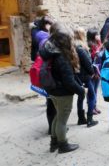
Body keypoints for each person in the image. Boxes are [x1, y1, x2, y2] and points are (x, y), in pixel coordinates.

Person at [39, 22, 85, 153]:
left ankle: (54, 143)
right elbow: (69, 82)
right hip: (62, 92)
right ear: (64, 40)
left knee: (57, 117)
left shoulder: (49, 49)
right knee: (62, 120)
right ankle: (63, 145)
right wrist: (81, 91)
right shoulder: (62, 57)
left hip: (52, 90)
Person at [30, 15, 55, 135]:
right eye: (50, 24)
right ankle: (53, 129)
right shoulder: (42, 37)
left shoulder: (41, 36)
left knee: (50, 103)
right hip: (48, 75)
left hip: (46, 73)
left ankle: (52, 128)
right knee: (52, 104)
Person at [74, 27, 98, 127]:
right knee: (91, 95)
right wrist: (92, 72)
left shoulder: (73, 46)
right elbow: (88, 64)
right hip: (85, 76)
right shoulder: (81, 48)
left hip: (78, 75)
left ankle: (81, 118)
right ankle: (89, 119)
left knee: (81, 96)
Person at [87, 28, 102, 115]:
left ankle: (94, 105)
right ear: (93, 36)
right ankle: (90, 107)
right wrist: (94, 72)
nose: (99, 36)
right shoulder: (90, 46)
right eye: (97, 35)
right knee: (91, 90)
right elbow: (92, 59)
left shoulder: (98, 43)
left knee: (95, 89)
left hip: (98, 70)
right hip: (93, 71)